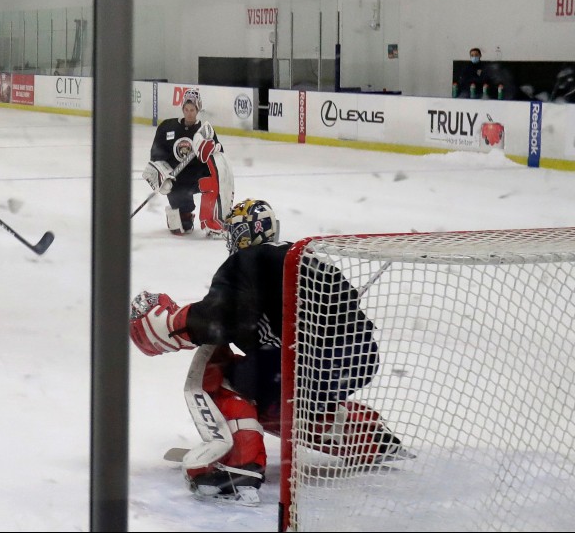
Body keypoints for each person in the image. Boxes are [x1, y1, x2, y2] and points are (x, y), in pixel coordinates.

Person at [129, 199, 404, 504]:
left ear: (245, 233)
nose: (231, 240)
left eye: (234, 232)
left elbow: (223, 317)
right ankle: (367, 437)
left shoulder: (249, 259)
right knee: (278, 394)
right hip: (358, 361)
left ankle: (237, 466)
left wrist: (169, 323)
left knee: (224, 377)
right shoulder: (297, 256)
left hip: (310, 361)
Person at [141, 88, 233, 236]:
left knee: (215, 183)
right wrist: (162, 176)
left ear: (198, 109)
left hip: (198, 177)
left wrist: (214, 147)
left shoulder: (204, 131)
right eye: (187, 109)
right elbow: (156, 155)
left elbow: (218, 154)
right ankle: (184, 214)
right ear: (182, 108)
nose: (189, 113)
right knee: (183, 227)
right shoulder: (167, 127)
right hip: (177, 180)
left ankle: (212, 218)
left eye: (192, 110)